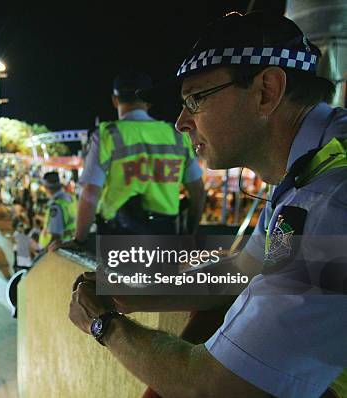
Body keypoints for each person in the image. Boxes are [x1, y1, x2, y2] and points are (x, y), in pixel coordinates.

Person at [69, 11, 347, 398]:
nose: (182, 121)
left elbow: (213, 387)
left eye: (196, 99)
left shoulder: (328, 204)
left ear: (266, 90)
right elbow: (243, 268)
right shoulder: (311, 167)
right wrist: (132, 288)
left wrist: (103, 325)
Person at [60, 70, 204, 245]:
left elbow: (90, 193)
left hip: (118, 238)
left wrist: (79, 240)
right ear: (149, 102)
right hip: (165, 236)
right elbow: (197, 192)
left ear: (115, 100)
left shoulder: (107, 135)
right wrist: (189, 234)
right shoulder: (176, 136)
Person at [38, 172, 77, 249]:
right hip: (69, 244)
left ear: (46, 187)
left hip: (58, 249)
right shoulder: (70, 198)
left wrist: (45, 253)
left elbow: (56, 237)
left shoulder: (56, 206)